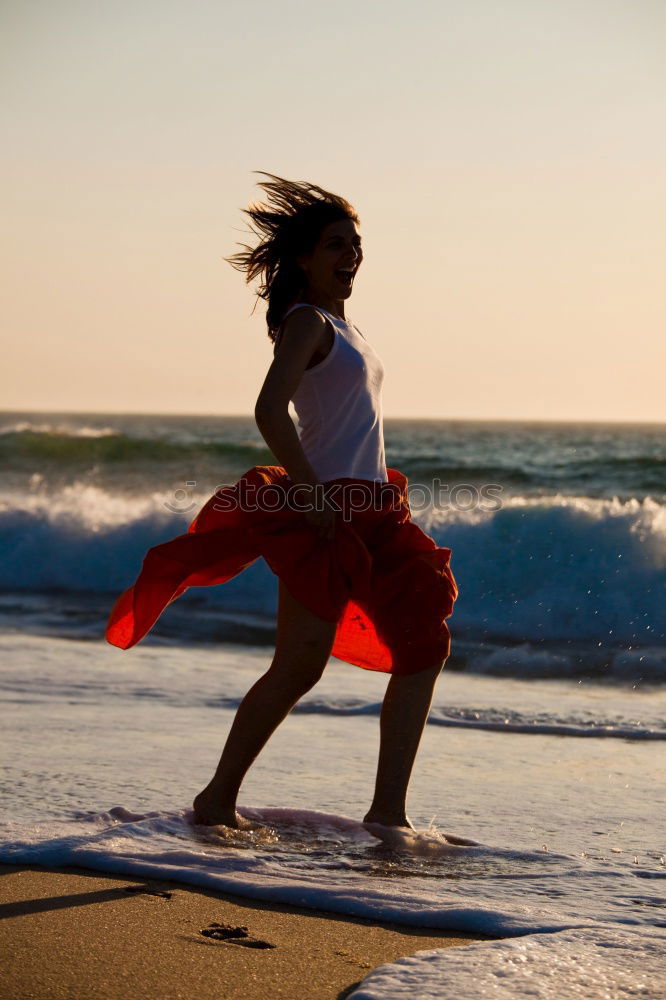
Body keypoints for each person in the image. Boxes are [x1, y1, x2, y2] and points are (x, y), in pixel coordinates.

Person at [105, 172, 458, 832]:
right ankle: (216, 799)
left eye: (356, 243)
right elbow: (270, 410)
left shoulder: (350, 330)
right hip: (323, 513)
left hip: (379, 510)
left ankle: (389, 814)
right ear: (304, 258)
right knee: (299, 666)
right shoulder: (306, 321)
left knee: (424, 645)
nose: (350, 254)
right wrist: (308, 493)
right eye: (334, 244)